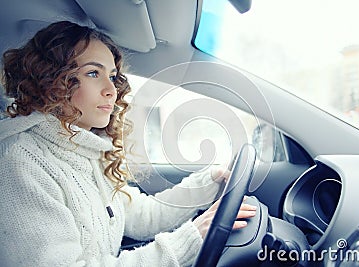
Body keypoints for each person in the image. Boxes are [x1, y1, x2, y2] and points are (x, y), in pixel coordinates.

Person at [0, 21, 257, 266]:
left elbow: (143, 216)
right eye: (93, 73)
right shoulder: (20, 164)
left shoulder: (84, 150)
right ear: (51, 81)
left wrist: (209, 182)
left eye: (112, 76)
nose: (111, 89)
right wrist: (190, 239)